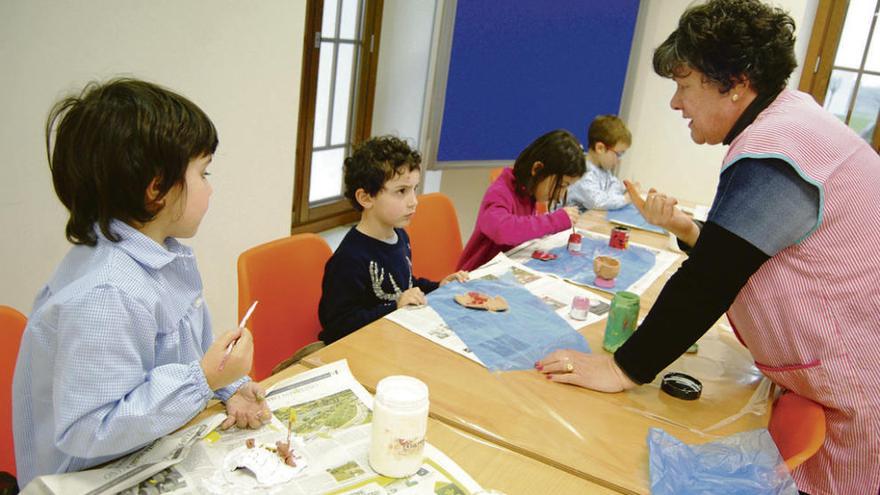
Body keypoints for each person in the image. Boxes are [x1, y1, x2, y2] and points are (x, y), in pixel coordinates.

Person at [537, 1, 880, 493]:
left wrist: (622, 367)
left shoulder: (778, 150)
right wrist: (693, 230)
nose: (676, 104)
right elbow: (756, 248)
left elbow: (709, 280)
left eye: (684, 85)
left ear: (735, 82)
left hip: (858, 383)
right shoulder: (793, 122)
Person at [12, 79, 270, 488]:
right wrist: (203, 380)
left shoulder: (164, 257)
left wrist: (230, 386)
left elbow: (187, 352)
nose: (211, 188)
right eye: (204, 174)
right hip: (92, 479)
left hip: (153, 448)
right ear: (157, 190)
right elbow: (90, 428)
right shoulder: (106, 293)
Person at [318, 136, 468, 344]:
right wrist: (395, 306)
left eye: (414, 189)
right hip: (362, 349)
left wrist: (438, 286)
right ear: (366, 198)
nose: (413, 201)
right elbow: (338, 327)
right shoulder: (349, 259)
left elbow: (405, 283)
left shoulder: (399, 235)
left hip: (393, 339)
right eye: (401, 191)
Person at [456, 129, 586, 271]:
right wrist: (554, 221)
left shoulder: (530, 193)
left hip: (505, 269)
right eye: (560, 186)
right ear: (537, 169)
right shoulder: (500, 191)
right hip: (474, 275)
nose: (560, 195)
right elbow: (503, 230)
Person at [566, 115, 632, 211]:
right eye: (618, 154)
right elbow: (598, 203)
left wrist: (625, 193)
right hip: (574, 223)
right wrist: (626, 198)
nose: (619, 160)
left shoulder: (603, 169)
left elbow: (615, 187)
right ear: (600, 148)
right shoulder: (582, 171)